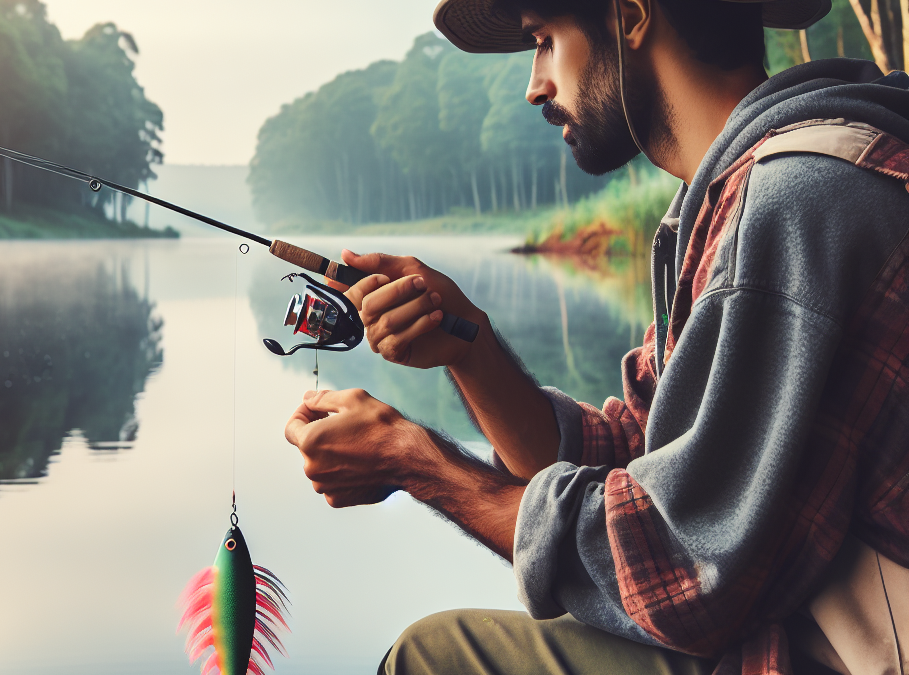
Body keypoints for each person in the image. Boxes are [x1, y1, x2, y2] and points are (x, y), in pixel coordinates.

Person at [283, 0, 909, 672]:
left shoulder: (801, 202)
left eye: (544, 40)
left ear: (632, 16)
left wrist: (417, 461)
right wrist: (469, 348)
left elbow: (685, 574)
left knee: (434, 657)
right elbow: (637, 455)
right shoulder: (730, 202)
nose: (534, 85)